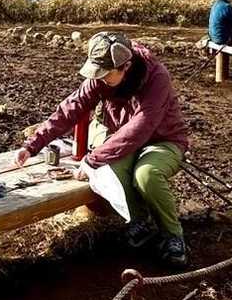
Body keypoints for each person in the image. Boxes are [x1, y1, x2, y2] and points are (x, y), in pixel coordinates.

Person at [11, 32, 192, 267]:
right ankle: (139, 221)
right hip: (124, 139)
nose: (99, 78)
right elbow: (72, 107)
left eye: (105, 74)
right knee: (109, 170)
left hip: (163, 140)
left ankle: (172, 235)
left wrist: (91, 159)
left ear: (126, 66)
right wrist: (32, 145)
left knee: (146, 175)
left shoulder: (157, 78)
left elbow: (141, 127)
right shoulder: (102, 77)